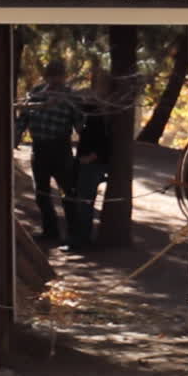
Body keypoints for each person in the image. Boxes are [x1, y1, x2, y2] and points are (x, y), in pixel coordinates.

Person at [15, 60, 84, 241]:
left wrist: (87, 148)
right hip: (39, 148)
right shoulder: (36, 93)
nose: (55, 80)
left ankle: (74, 236)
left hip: (60, 148)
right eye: (52, 76)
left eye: (59, 76)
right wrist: (16, 135)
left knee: (67, 192)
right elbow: (23, 118)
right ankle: (50, 231)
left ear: (64, 77)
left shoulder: (71, 97)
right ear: (46, 76)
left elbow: (80, 125)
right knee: (42, 193)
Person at [64, 69, 113, 252]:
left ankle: (80, 241)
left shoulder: (104, 111)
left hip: (93, 163)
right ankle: (79, 238)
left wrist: (91, 158)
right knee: (81, 201)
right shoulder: (94, 108)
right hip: (87, 160)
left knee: (84, 202)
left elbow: (106, 141)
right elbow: (77, 101)